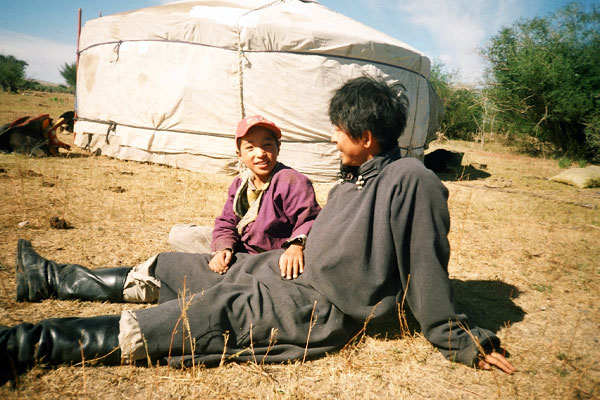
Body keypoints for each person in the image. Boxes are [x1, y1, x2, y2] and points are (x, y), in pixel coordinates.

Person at [1, 76, 515, 386]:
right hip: (278, 271)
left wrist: (462, 337)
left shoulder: (411, 180)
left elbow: (427, 261)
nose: (333, 138)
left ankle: (25, 344)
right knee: (181, 263)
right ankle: (48, 278)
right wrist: (290, 247)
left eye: (339, 130)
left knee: (206, 313)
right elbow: (315, 231)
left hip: (315, 306)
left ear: (365, 135)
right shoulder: (353, 181)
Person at [170, 114, 321, 280]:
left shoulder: (291, 180)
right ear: (239, 154)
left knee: (198, 263)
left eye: (267, 145)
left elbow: (309, 220)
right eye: (250, 148)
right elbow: (226, 222)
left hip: (271, 256)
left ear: (278, 147)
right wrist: (223, 248)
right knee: (178, 235)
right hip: (240, 247)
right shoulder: (240, 183)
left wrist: (295, 246)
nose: (260, 154)